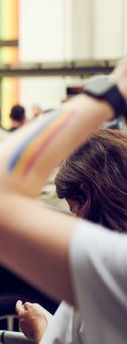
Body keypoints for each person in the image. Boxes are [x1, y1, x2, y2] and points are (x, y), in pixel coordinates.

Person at [0, 62, 127, 342]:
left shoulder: (115, 269)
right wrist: (48, 330)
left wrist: (112, 90)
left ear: (86, 194)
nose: (74, 219)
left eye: (73, 209)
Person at [14, 129, 127, 343]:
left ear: (86, 196)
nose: (77, 223)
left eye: (76, 212)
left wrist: (40, 330)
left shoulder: (100, 277)